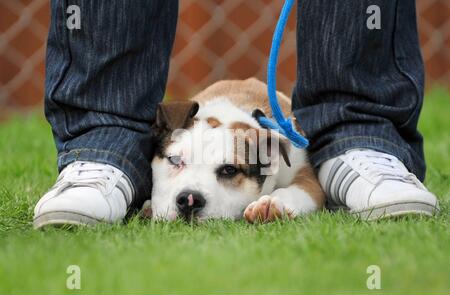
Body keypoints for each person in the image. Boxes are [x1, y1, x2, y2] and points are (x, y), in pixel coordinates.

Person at [33, 0, 438, 228]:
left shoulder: (270, 145)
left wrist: (286, 199)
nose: (191, 195)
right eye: (175, 161)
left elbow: (300, 180)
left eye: (228, 172)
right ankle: (106, 149)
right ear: (162, 143)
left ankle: (358, 135)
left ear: (266, 160)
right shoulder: (183, 124)